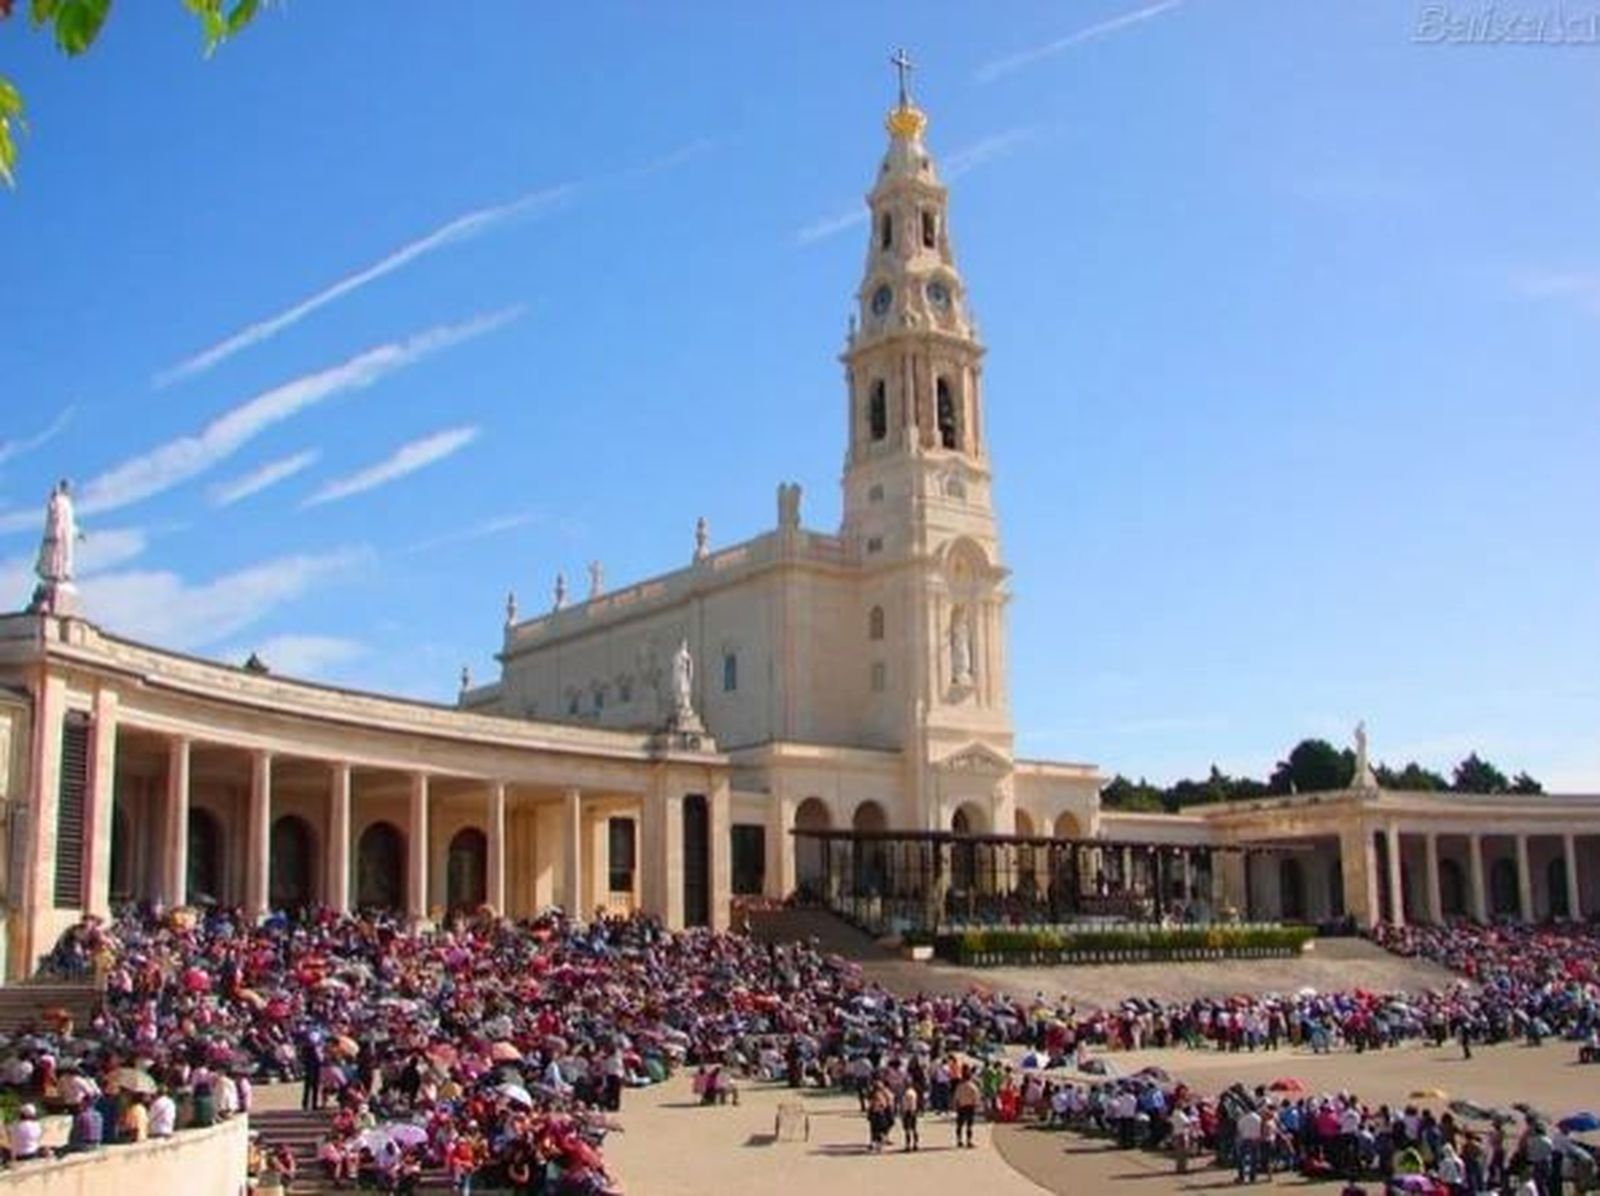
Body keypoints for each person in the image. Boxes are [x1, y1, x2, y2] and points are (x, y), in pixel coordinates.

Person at [952, 1067, 981, 1149]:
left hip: (961, 1106)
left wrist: (954, 1105)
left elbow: (956, 1097)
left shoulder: (959, 1086)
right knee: (969, 1125)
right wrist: (977, 1105)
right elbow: (976, 1098)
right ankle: (969, 1141)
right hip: (970, 1107)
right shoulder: (973, 1087)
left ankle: (959, 1140)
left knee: (959, 1125)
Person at [899, 1082, 921, 1152]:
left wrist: (904, 1112)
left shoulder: (907, 1093)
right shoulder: (914, 1092)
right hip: (913, 1111)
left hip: (908, 1111)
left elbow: (907, 1104)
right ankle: (915, 1144)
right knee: (914, 1129)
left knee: (907, 1130)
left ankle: (908, 1145)